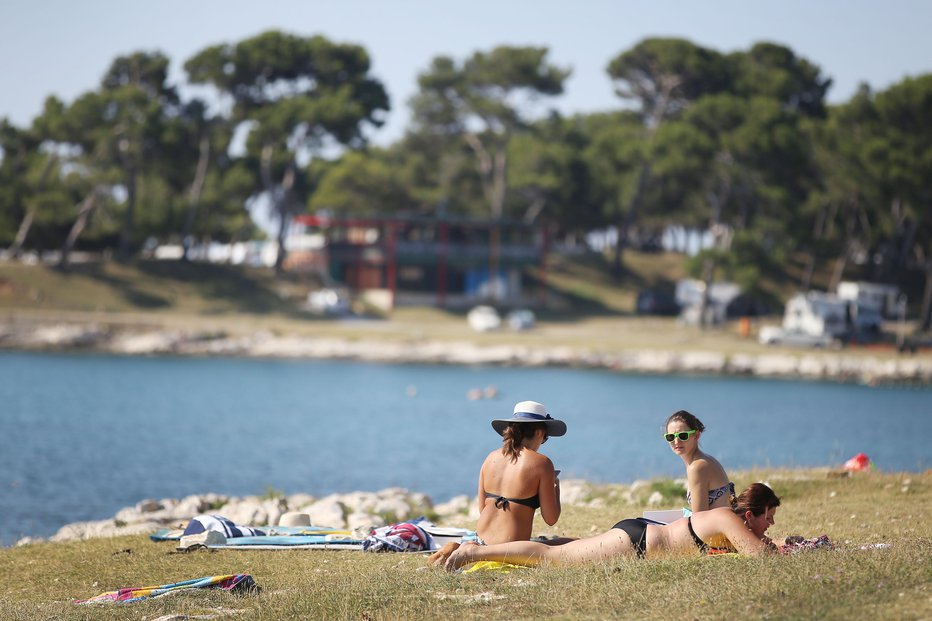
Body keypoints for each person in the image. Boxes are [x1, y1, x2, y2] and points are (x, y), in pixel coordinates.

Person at [442, 483, 782, 570]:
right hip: (635, 543)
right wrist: (779, 548)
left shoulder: (726, 519)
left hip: (638, 536)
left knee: (564, 548)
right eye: (769, 518)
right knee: (551, 558)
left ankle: (481, 551)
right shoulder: (727, 517)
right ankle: (474, 552)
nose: (768, 526)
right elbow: (758, 555)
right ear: (753, 513)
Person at [475, 400, 566, 545]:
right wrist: (556, 489)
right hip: (509, 551)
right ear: (539, 432)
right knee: (572, 543)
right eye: (545, 438)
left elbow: (482, 510)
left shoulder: (490, 458)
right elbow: (551, 519)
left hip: (480, 543)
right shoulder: (542, 463)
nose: (543, 442)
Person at [664, 410, 735, 513]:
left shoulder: (698, 466)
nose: (676, 441)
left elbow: (699, 519)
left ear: (696, 435)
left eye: (683, 436)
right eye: (670, 437)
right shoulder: (703, 460)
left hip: (717, 528)